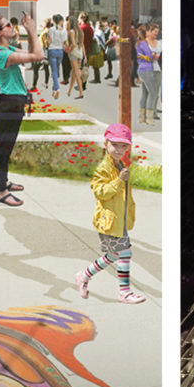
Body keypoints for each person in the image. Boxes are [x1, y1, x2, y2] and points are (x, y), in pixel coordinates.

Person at [72, 123, 145, 304]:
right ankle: (124, 293)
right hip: (109, 221)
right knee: (125, 253)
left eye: (124, 146)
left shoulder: (118, 164)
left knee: (113, 256)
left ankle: (83, 276)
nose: (119, 150)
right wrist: (119, 181)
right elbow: (101, 192)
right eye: (115, 145)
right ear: (106, 144)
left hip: (118, 220)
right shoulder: (103, 168)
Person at [0, 14, 44, 207]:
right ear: (0, 33)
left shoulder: (8, 48)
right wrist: (33, 30)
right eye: (8, 25)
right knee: (3, 149)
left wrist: (28, 32)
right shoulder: (1, 54)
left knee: (6, 147)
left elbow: (32, 53)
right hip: (9, 105)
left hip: (13, 104)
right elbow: (38, 56)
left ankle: (5, 181)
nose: (12, 26)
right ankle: (1, 191)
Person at [137, 24, 162, 124]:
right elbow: (150, 57)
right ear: (146, 32)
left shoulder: (141, 43)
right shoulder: (143, 43)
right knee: (153, 93)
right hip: (147, 70)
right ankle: (149, 117)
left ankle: (142, 116)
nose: (156, 33)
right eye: (153, 31)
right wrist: (152, 56)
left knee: (145, 93)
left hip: (146, 69)